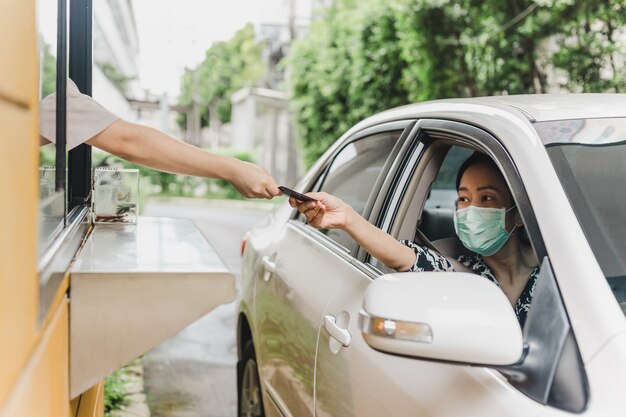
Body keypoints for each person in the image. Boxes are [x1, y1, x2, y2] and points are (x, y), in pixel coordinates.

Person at [290, 152, 539, 326]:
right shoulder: (462, 274)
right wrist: (346, 217)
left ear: (517, 214)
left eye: (487, 198)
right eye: (463, 199)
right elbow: (404, 258)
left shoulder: (555, 268)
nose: (471, 210)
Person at [39, 80, 281, 199]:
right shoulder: (52, 106)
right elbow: (130, 142)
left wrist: (235, 169)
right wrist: (234, 168)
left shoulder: (40, 105)